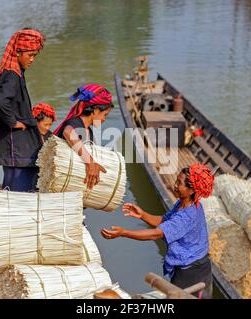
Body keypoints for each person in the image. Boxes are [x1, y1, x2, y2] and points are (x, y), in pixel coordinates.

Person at [101, 163, 214, 299]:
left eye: (179, 183)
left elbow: (156, 233)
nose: (175, 185)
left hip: (192, 272)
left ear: (191, 191)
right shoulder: (183, 203)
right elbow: (164, 221)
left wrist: (123, 233)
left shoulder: (187, 216)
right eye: (176, 180)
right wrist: (142, 215)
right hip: (190, 266)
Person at [0, 28, 45, 192]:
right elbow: (1, 101)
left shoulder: (14, 72)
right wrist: (13, 123)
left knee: (16, 175)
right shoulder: (12, 75)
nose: (32, 59)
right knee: (18, 176)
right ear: (18, 52)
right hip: (13, 141)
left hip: (15, 141)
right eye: (30, 55)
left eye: (35, 55)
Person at [53, 84, 114, 189]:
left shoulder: (88, 131)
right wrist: (90, 162)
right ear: (95, 111)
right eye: (105, 114)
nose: (104, 119)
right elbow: (68, 132)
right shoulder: (75, 122)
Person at [29, 102, 57, 189]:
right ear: (35, 121)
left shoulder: (50, 136)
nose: (48, 128)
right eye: (45, 124)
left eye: (50, 125)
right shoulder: (27, 135)